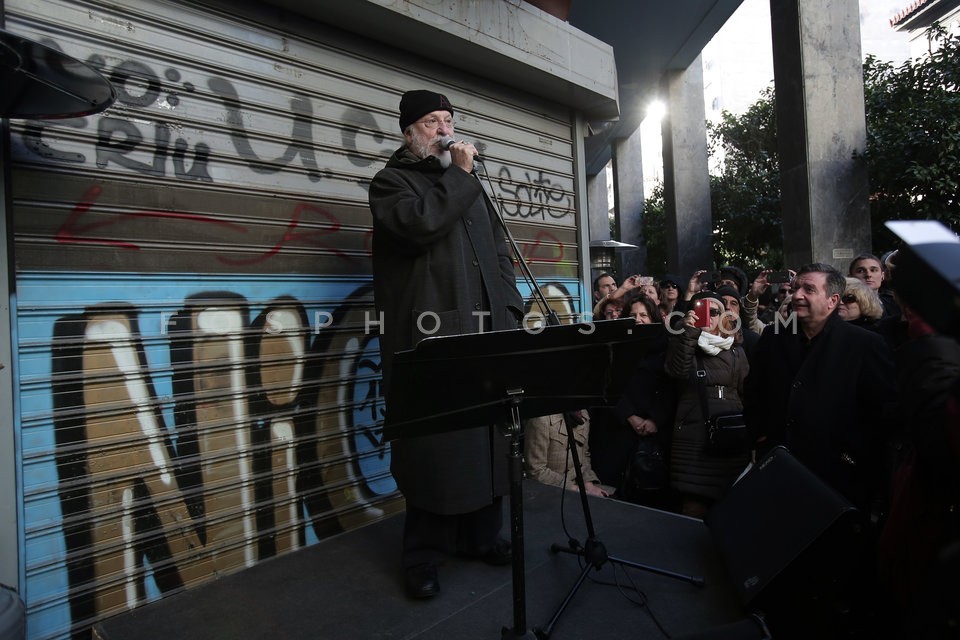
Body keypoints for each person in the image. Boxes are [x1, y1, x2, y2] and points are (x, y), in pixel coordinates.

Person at [368, 89, 524, 599]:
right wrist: (458, 175)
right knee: (436, 453)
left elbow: (498, 255)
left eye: (449, 120)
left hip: (486, 334)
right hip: (431, 341)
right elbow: (420, 226)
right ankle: (423, 556)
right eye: (432, 122)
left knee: (487, 442)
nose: (443, 129)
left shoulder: (470, 186)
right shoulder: (392, 183)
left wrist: (511, 310)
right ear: (409, 132)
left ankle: (482, 537)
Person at [743, 263, 897, 511]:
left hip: (837, 476)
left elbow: (880, 411)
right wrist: (760, 436)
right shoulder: (774, 337)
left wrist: (851, 457)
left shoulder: (863, 344)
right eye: (795, 289)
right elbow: (753, 392)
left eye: (809, 289)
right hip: (779, 465)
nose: (798, 296)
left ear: (832, 300)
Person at [665, 290, 750, 517]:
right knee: (694, 507)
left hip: (732, 436)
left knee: (731, 508)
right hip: (694, 440)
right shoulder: (682, 342)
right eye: (700, 310)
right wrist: (689, 332)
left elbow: (746, 393)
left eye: (714, 312)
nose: (708, 316)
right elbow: (678, 372)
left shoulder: (736, 350)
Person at [524, 411, 615, 497]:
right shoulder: (541, 419)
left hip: (576, 487)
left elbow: (584, 456)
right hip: (549, 491)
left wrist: (589, 486)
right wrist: (575, 489)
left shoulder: (583, 414)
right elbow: (536, 471)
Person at [849, 253, 902, 321]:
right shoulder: (845, 306)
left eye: (873, 270)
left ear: (882, 276)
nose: (868, 275)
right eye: (860, 271)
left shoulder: (894, 303)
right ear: (851, 277)